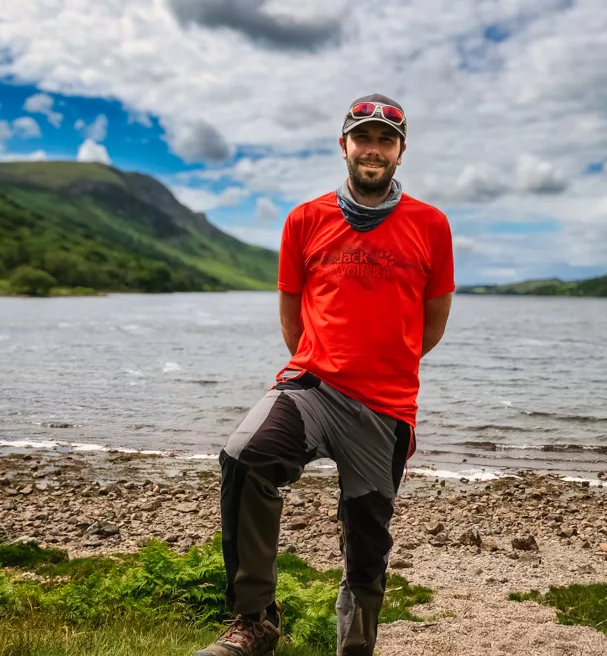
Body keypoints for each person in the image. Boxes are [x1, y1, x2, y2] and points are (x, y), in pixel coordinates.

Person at [195, 93, 455, 656]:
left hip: (385, 408)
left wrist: (385, 363)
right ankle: (256, 621)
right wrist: (324, 360)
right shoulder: (305, 219)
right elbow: (292, 317)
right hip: (312, 384)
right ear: (344, 146)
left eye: (386, 140)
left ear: (401, 153)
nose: (373, 149)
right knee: (244, 456)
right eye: (363, 137)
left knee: (367, 547)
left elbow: (432, 324)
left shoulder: (431, 225)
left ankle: (354, 648)